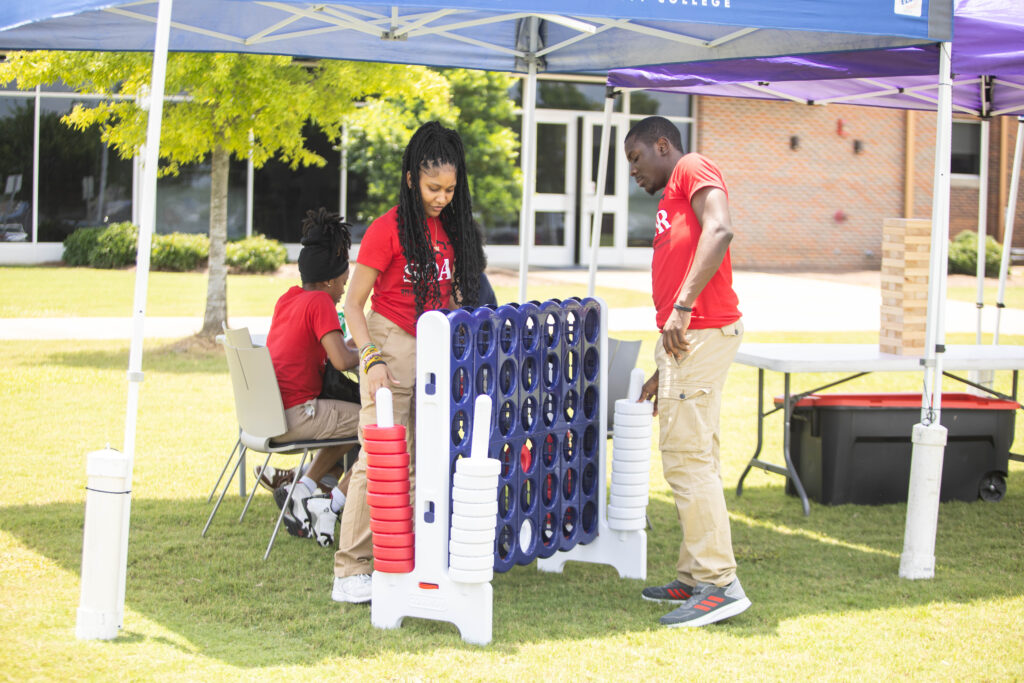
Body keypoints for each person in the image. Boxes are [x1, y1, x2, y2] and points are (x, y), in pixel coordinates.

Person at [332, 121, 486, 604]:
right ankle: (351, 570)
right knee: (378, 459)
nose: (441, 197)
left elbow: (454, 293)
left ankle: (408, 559)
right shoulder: (387, 229)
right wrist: (371, 360)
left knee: (423, 460)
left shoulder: (451, 228)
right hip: (391, 345)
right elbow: (353, 304)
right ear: (411, 180)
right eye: (433, 188)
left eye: (450, 189)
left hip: (435, 350)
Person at [623, 115, 750, 627]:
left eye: (636, 158)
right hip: (686, 341)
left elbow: (720, 229)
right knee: (696, 455)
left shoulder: (693, 167)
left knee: (686, 458)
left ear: (662, 145)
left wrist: (682, 308)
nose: (632, 171)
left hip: (699, 329)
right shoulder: (671, 197)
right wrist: (661, 365)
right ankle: (697, 574)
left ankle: (719, 583)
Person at [263, 207, 361, 547]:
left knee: (352, 420)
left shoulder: (289, 299)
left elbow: (322, 349)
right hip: (300, 415)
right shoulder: (321, 302)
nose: (343, 292)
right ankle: (325, 501)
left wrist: (350, 345)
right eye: (344, 285)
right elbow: (342, 359)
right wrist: (369, 349)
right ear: (330, 280)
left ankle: (302, 489)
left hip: (273, 413)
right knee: (373, 421)